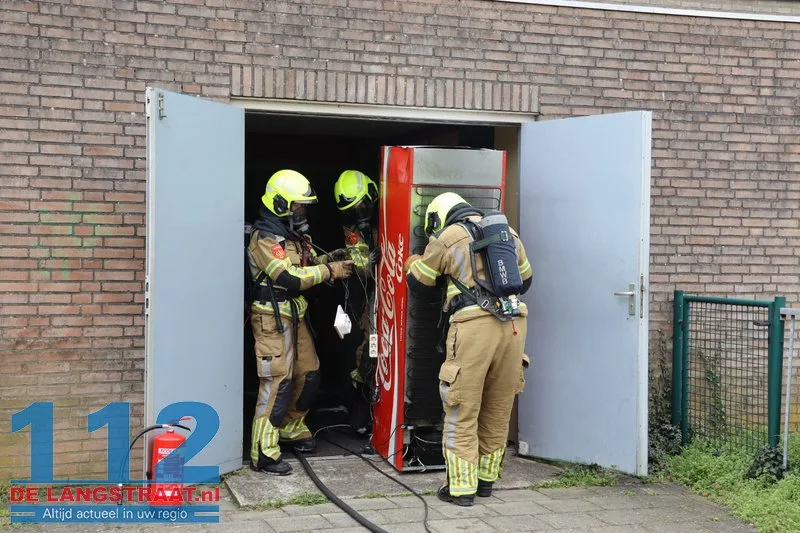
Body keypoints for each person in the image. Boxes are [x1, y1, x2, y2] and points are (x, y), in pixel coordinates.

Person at [404, 192, 532, 506]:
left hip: (475, 327)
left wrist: (413, 260)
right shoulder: (507, 234)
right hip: (514, 325)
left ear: (438, 216)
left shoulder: (448, 237)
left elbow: (420, 282)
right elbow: (525, 280)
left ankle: (460, 489)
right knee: (498, 407)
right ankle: (486, 482)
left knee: (462, 407)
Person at [247, 169, 354, 476]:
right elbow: (290, 277)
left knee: (309, 373)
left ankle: (291, 427)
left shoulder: (293, 236)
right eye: (298, 205)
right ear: (281, 204)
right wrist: (330, 271)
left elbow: (304, 265)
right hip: (271, 318)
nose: (302, 211)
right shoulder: (264, 237)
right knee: (277, 382)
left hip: (296, 315)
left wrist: (329, 259)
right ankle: (263, 452)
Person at [332, 170, 380, 435]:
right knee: (351, 347)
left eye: (362, 206)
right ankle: (356, 407)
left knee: (374, 352)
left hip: (380, 298)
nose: (359, 213)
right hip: (353, 297)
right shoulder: (351, 225)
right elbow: (359, 260)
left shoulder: (389, 211)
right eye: (352, 210)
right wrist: (370, 261)